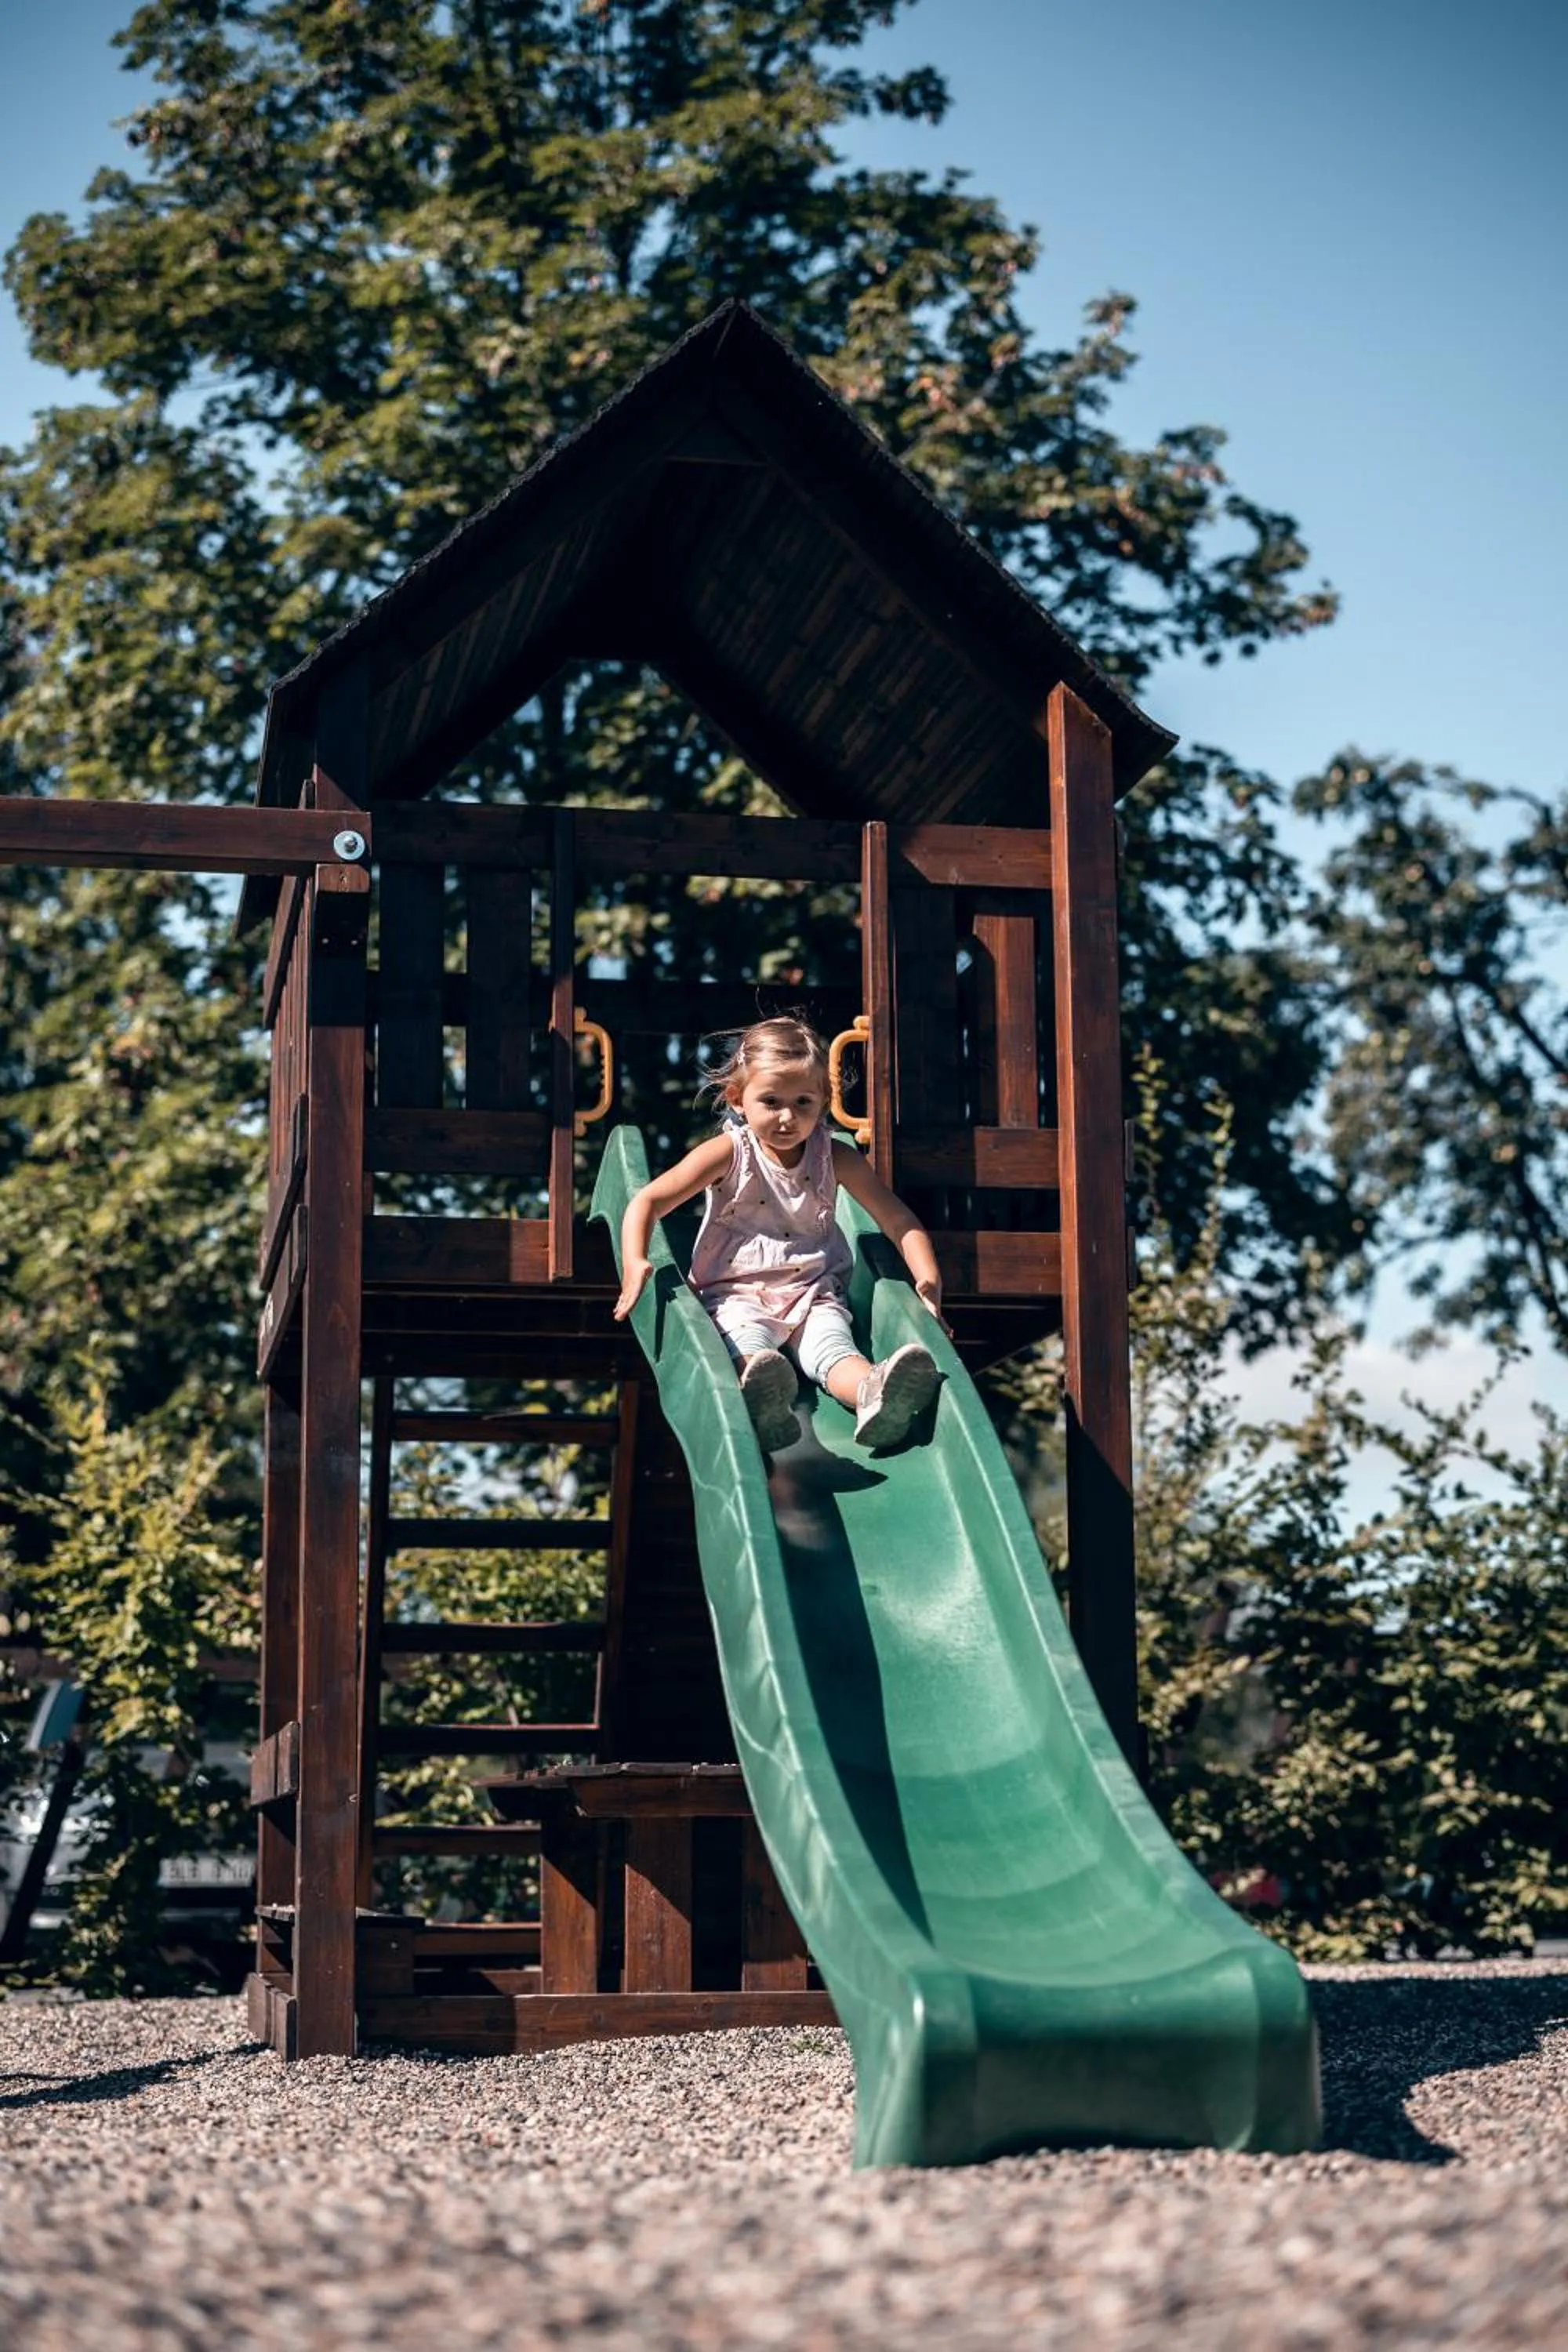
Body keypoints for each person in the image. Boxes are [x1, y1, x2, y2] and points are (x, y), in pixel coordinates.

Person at [613, 1015, 943, 1453]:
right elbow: (648, 1202)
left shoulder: (836, 1157)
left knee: (834, 1352)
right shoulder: (731, 1153)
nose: (788, 1117)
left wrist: (929, 1280)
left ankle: (874, 1396)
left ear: (824, 1101)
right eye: (771, 1101)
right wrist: (635, 1260)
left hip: (813, 1294)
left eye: (803, 1102)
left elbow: (898, 1220)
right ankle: (764, 1404)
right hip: (736, 1296)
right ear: (738, 1099)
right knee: (751, 1353)